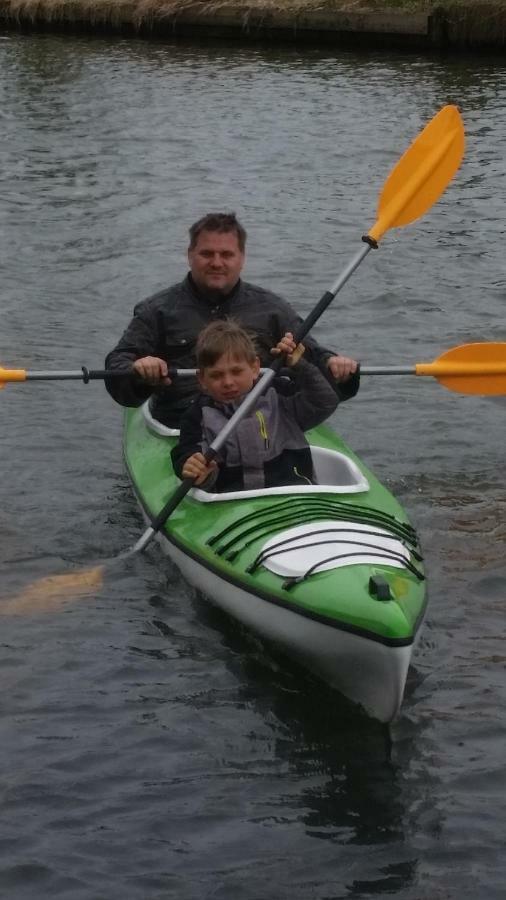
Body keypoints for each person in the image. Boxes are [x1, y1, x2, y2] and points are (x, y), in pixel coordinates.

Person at [105, 212, 359, 427]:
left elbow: (314, 356)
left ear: (241, 258)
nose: (217, 263)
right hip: (183, 427)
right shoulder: (156, 310)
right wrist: (138, 370)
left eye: (226, 255)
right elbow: (118, 364)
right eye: (207, 254)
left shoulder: (273, 309)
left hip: (264, 423)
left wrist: (338, 367)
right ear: (190, 255)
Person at [170, 320, 339, 492]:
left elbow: (325, 401)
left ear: (255, 367)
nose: (228, 382)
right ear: (202, 379)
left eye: (236, 372)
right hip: (230, 504)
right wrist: (194, 468)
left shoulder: (280, 395)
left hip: (294, 494)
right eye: (216, 375)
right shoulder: (197, 416)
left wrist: (300, 366)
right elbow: (185, 452)